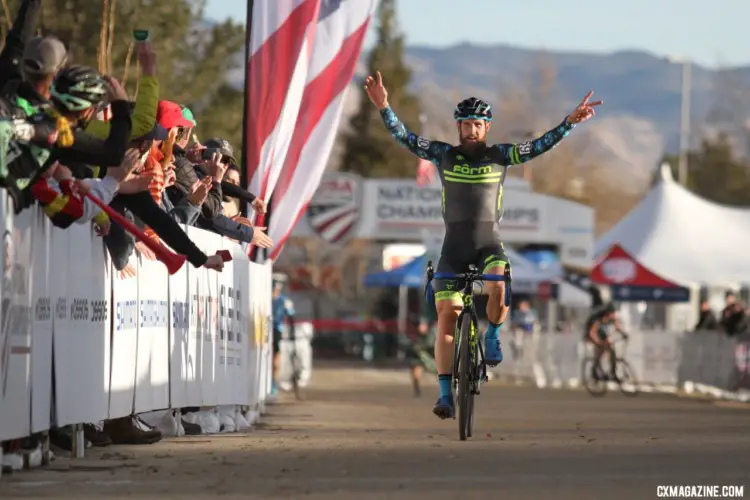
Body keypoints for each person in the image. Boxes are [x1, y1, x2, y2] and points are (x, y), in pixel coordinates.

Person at [363, 71, 603, 419]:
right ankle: (445, 395)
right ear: (458, 127)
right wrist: (384, 106)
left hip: (489, 245)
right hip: (453, 249)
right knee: (447, 317)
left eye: (478, 124)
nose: (471, 129)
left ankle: (493, 334)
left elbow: (538, 146)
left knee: (498, 285)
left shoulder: (501, 156)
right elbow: (407, 138)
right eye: (466, 124)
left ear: (487, 128)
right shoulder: (443, 155)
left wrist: (568, 123)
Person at [584, 302, 628, 381]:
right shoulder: (597, 319)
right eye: (609, 314)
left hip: (602, 334)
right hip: (594, 335)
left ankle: (613, 373)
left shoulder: (611, 317)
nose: (611, 316)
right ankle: (595, 371)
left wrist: (624, 334)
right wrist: (598, 342)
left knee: (611, 350)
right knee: (600, 352)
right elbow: (592, 333)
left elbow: (617, 326)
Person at [271, 273, 296, 396]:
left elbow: (291, 316)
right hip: (265, 330)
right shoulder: (265, 299)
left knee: (275, 361)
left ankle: (273, 384)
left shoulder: (284, 301)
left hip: (277, 331)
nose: (276, 290)